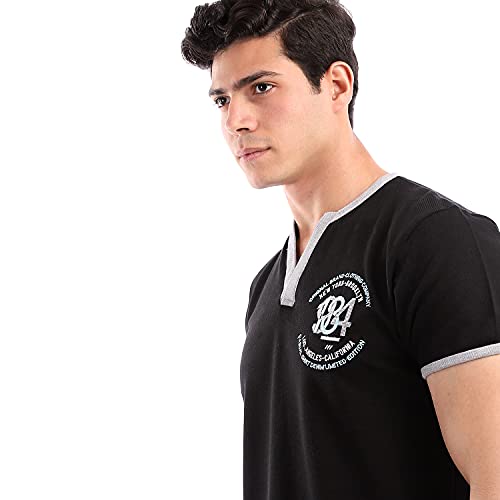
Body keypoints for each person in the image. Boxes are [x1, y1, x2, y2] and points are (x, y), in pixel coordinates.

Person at [180, 1, 500, 498]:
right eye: (222, 100)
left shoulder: (434, 241)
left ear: (336, 85)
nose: (236, 120)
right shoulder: (266, 286)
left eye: (261, 88)